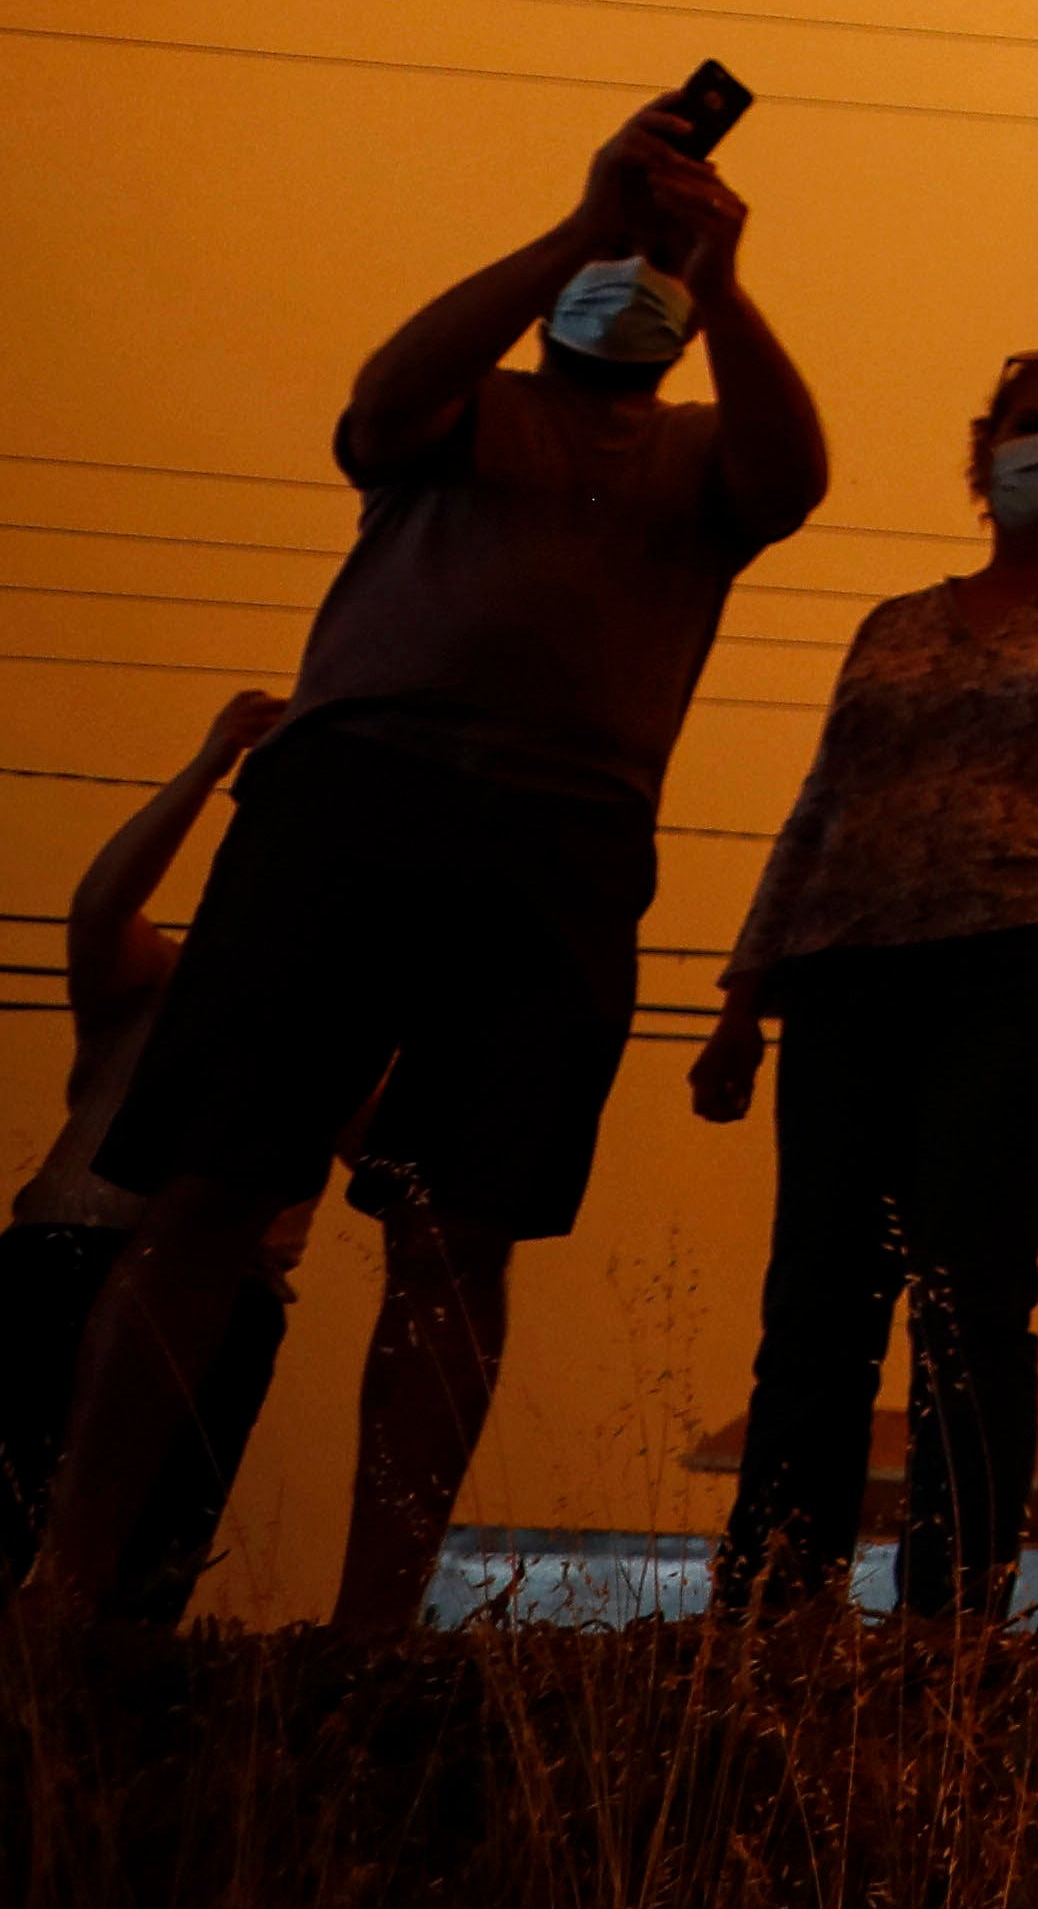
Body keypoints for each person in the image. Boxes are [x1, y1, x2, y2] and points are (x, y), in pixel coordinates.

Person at [19, 101, 824, 1637]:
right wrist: (574, 227)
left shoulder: (706, 452)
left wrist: (717, 272)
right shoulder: (468, 410)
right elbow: (379, 397)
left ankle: (376, 1624)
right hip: (351, 795)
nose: (634, 275)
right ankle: (68, 1578)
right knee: (210, 1188)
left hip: (566, 836)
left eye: (652, 261)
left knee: (461, 1226)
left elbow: (799, 473)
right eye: (626, 257)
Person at [694, 346, 1038, 1620]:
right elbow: (822, 804)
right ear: (983, 451)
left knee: (966, 1283)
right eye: (1032, 424)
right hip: (845, 966)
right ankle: (775, 1594)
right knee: (816, 1290)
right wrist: (743, 995)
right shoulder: (897, 624)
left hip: (1033, 956)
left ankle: (949, 1610)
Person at [0, 690, 311, 1621]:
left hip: (224, 1302)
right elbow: (102, 900)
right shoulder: (153, 978)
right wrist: (210, 760)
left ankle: (97, 1751)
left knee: (141, 1593)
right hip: (64, 1260)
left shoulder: (327, 1035)